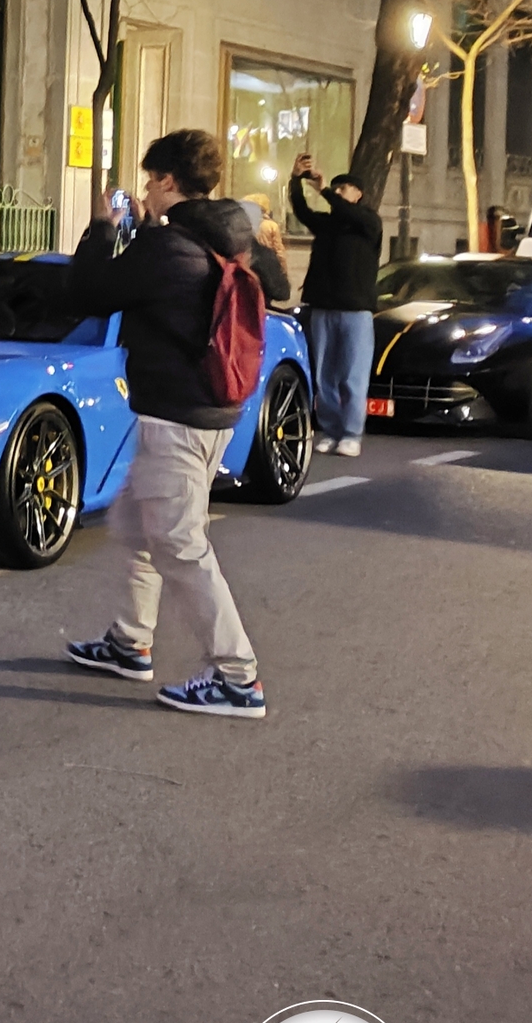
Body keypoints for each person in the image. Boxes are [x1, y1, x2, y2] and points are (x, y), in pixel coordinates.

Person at [62, 129, 290, 719]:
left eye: (148, 181)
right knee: (140, 527)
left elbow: (87, 291)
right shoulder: (230, 235)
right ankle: (130, 641)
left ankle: (238, 677)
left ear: (167, 181)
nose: (144, 191)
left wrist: (105, 229)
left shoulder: (166, 248)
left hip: (177, 415)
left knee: (179, 544)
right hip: (210, 408)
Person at [286, 153, 382, 457]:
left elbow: (349, 213)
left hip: (356, 311)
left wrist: (325, 190)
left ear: (358, 194)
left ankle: (352, 432)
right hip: (324, 307)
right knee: (325, 374)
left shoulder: (368, 223)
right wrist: (296, 180)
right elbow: (301, 211)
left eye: (344, 190)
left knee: (353, 374)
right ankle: (329, 429)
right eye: (336, 190)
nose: (338, 195)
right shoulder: (327, 225)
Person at [240, 193, 294, 308]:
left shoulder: (242, 226)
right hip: (267, 268)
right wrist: (283, 270)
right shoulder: (271, 225)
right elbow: (279, 250)